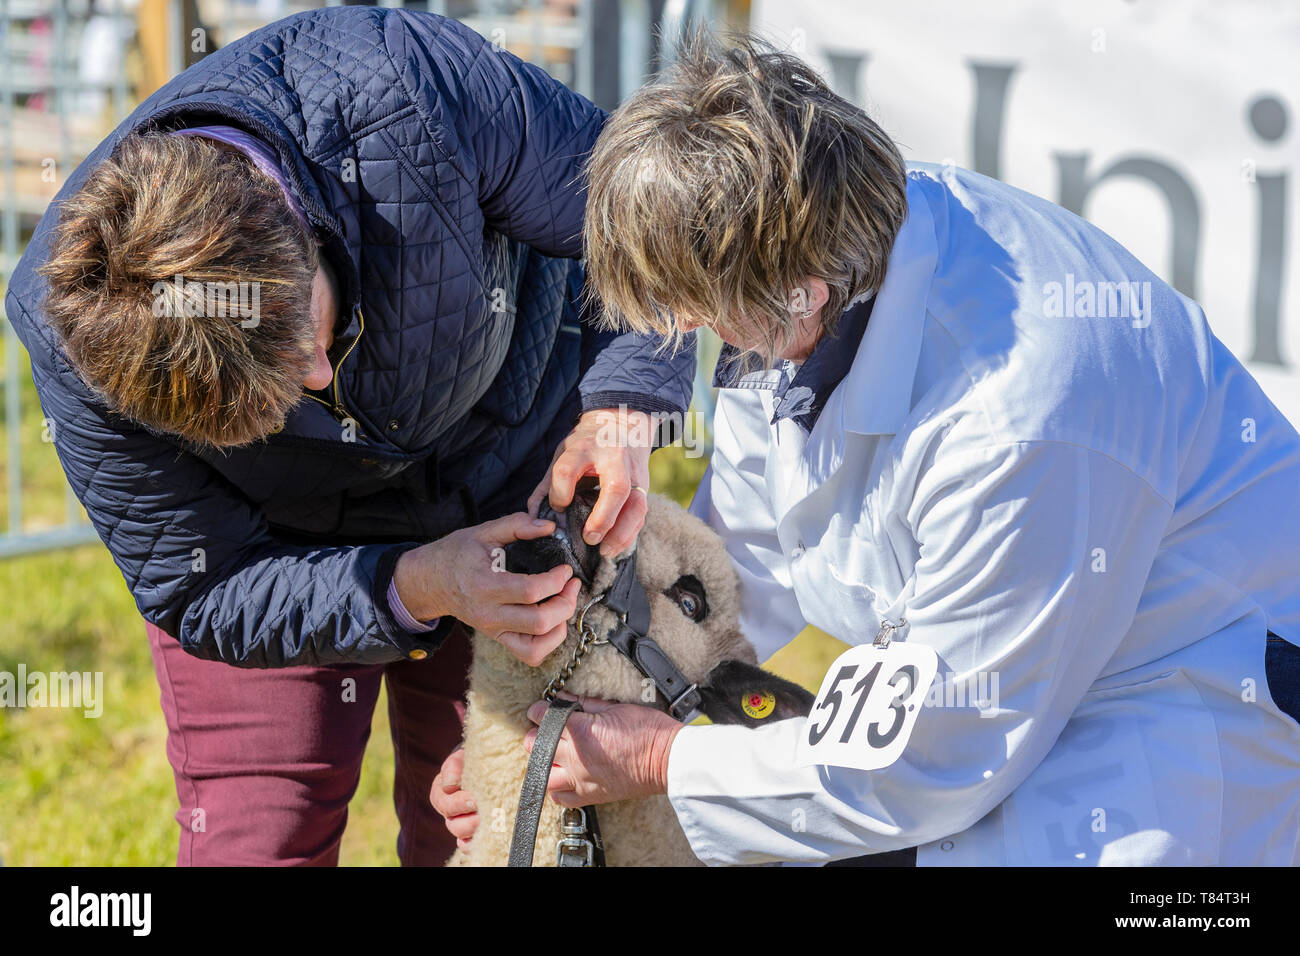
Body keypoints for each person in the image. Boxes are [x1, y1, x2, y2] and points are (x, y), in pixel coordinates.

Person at [435, 30, 1300, 866]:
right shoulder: (810, 253)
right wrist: (539, 743)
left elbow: (933, 754)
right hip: (985, 680)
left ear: (801, 293)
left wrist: (660, 758)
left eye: (700, 312)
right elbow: (752, 560)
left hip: (1172, 708)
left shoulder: (1022, 413)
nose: (694, 332)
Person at [7, 7, 691, 866]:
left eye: (308, 342)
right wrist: (415, 582)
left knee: (494, 827)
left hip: (509, 475)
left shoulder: (408, 92)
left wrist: (623, 407)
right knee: (260, 840)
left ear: (294, 221)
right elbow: (203, 584)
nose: (321, 381)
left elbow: (645, 218)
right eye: (275, 399)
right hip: (276, 547)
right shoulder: (78, 340)